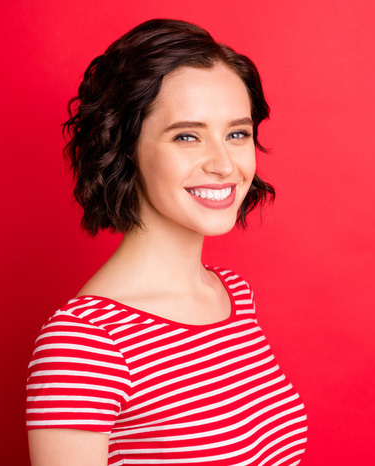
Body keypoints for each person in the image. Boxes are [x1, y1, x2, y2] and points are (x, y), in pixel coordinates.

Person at [26, 19, 308, 466]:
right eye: (187, 136)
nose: (223, 163)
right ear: (126, 147)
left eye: (237, 133)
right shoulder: (86, 344)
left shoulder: (233, 293)